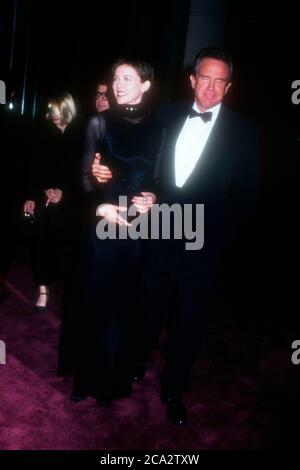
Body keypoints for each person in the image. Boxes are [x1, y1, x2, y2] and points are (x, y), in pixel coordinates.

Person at [95, 48, 259, 425]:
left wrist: (219, 239)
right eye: (206, 78)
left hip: (205, 238)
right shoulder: (166, 115)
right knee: (147, 302)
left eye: (221, 81)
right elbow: (136, 157)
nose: (211, 87)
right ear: (192, 79)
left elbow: (247, 196)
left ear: (228, 87)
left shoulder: (245, 133)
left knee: (189, 318)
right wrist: (101, 168)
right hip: (162, 225)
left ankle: (173, 389)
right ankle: (134, 365)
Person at [68, 58, 164, 407]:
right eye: (115, 77)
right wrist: (98, 205)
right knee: (94, 301)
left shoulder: (160, 128)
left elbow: (160, 180)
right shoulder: (99, 122)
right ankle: (85, 377)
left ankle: (113, 381)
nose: (118, 83)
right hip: (103, 223)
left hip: (139, 228)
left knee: (126, 306)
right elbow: (79, 177)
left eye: (128, 77)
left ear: (146, 84)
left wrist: (156, 196)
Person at [24, 91, 81, 312]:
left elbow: (82, 172)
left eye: (56, 111)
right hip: (44, 195)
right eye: (50, 111)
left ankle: (63, 286)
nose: (52, 116)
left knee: (66, 247)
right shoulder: (42, 132)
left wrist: (63, 193)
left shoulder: (81, 132)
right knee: (39, 240)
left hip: (72, 198)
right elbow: (32, 167)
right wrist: (34, 194)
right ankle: (43, 290)